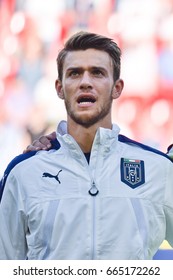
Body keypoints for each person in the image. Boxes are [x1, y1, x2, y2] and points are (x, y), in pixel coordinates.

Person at [0, 31, 173, 260]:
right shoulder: (23, 174)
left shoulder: (158, 170)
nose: (85, 82)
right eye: (74, 73)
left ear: (117, 88)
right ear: (60, 88)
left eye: (98, 73)